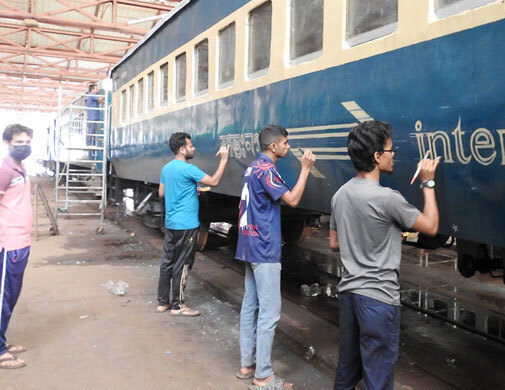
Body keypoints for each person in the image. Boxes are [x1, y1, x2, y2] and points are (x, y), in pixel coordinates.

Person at [329, 120, 441, 390]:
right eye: (391, 151)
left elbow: (334, 243)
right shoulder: (388, 198)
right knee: (377, 379)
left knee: (346, 372)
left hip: (349, 297)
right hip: (378, 300)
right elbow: (432, 226)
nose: (394, 156)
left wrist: (363, 239)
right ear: (377, 156)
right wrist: (428, 183)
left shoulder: (340, 195)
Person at [235, 125, 316, 390]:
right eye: (286, 143)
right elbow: (292, 199)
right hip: (264, 247)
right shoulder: (267, 170)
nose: (288, 147)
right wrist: (305, 170)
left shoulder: (251, 168)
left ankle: (247, 365)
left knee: (251, 305)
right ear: (273, 147)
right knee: (269, 313)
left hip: (248, 242)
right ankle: (264, 377)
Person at [0, 124, 35, 369]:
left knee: (8, 297)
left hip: (18, 242)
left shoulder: (19, 169)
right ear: (6, 143)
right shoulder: (2, 172)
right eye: (19, 142)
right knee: (2, 298)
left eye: (27, 141)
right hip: (6, 245)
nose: (24, 146)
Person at [157, 132, 229, 316]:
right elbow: (214, 181)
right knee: (183, 263)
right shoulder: (189, 169)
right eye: (190, 146)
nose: (193, 148)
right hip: (186, 224)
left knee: (167, 261)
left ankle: (163, 302)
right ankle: (178, 306)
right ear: (182, 150)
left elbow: (162, 193)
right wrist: (224, 160)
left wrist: (187, 191)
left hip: (171, 222)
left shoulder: (167, 168)